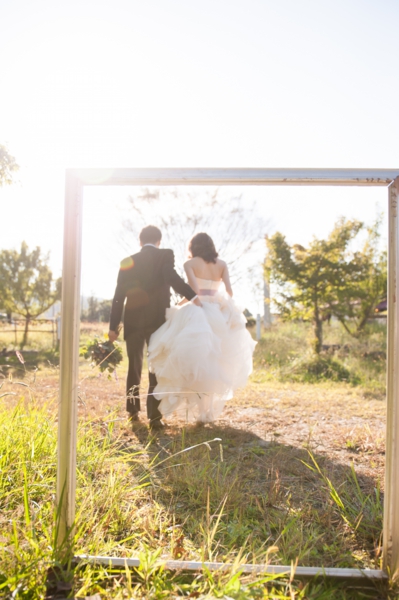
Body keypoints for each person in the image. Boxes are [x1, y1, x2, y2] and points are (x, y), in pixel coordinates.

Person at [148, 232, 256, 423]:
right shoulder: (221, 264)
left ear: (193, 247)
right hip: (217, 309)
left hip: (198, 311)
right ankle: (207, 413)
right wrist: (219, 300)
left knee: (197, 362)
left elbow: (194, 293)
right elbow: (229, 291)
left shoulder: (190, 264)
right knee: (214, 363)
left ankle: (199, 410)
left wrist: (179, 305)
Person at [108, 225, 201, 430]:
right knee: (155, 367)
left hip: (132, 321)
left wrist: (113, 327)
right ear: (159, 241)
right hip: (157, 321)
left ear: (140, 241)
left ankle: (132, 411)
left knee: (134, 365)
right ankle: (155, 417)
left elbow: (118, 297)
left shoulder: (127, 261)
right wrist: (193, 296)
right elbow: (173, 278)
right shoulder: (164, 255)